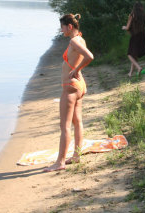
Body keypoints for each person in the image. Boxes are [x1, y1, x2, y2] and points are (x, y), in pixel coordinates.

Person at [44, 14, 94, 172]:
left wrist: (76, 70)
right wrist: (77, 70)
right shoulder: (80, 39)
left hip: (71, 87)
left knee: (64, 126)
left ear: (69, 26)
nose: (61, 30)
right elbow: (82, 57)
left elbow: (90, 57)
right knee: (77, 122)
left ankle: (60, 162)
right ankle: (77, 155)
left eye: (62, 27)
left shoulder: (74, 41)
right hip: (79, 86)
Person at [122, 2, 145, 77]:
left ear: (134, 8)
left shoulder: (132, 15)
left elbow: (128, 27)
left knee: (129, 54)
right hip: (142, 36)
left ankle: (138, 67)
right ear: (142, 8)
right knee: (135, 55)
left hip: (135, 36)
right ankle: (130, 73)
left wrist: (124, 27)